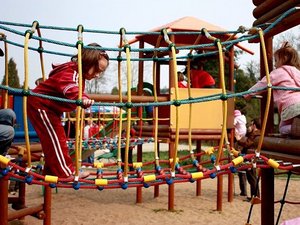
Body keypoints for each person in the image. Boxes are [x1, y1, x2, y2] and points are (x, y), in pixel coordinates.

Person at [27, 43, 109, 178]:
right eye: (97, 70)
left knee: (53, 140)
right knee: (57, 140)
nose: (97, 75)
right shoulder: (72, 72)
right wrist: (81, 97)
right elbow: (69, 87)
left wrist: (82, 96)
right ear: (89, 61)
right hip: (42, 106)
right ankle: (66, 173)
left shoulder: (76, 72)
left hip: (48, 108)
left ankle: (50, 170)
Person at [245, 42, 300, 136]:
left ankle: (296, 129)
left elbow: (263, 83)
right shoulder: (298, 72)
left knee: (282, 128)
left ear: (284, 59)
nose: (274, 64)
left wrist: (247, 94)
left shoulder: (278, 72)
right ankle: (296, 128)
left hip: (290, 106)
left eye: (276, 60)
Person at [236, 118, 261, 201]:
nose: (249, 126)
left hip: (251, 157)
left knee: (252, 177)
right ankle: (255, 196)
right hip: (253, 156)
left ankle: (255, 196)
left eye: (251, 125)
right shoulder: (256, 133)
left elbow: (247, 143)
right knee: (252, 177)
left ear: (254, 125)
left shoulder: (255, 133)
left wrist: (239, 139)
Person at [233, 109, 247, 196]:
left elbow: (233, 124)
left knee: (241, 170)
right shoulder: (243, 117)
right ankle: (243, 191)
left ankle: (243, 191)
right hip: (243, 134)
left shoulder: (236, 118)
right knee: (242, 171)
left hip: (239, 136)